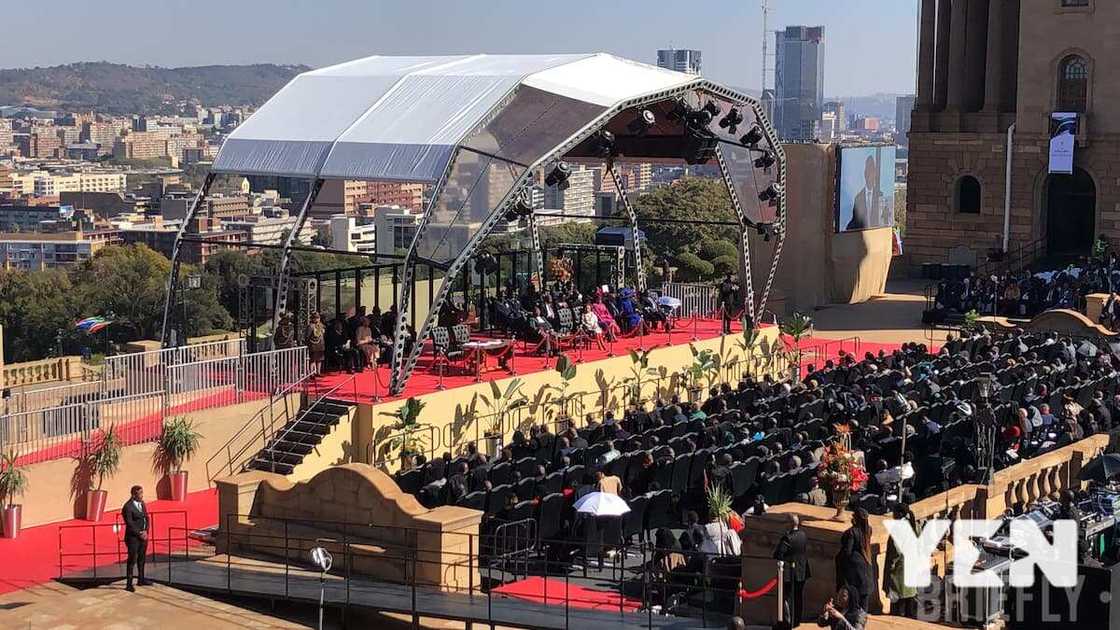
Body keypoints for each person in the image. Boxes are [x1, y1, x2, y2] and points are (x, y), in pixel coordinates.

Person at [773, 513, 810, 624]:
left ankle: (788, 622)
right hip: (802, 571)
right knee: (798, 597)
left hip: (790, 573)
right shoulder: (803, 535)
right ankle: (797, 621)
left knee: (786, 598)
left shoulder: (787, 537)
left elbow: (779, 554)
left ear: (789, 523)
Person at [885, 505, 919, 618]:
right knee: (909, 604)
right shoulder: (914, 525)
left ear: (899, 514)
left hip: (900, 570)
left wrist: (891, 566)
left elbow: (896, 552)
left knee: (897, 608)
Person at [836, 508, 873, 610]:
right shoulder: (868, 530)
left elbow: (847, 551)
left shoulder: (851, 532)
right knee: (864, 602)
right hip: (866, 569)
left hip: (855, 570)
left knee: (855, 601)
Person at [122, 485, 151, 591]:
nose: (142, 495)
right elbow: (129, 523)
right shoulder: (127, 507)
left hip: (143, 536)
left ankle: (141, 579)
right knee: (132, 559)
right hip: (133, 538)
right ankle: (129, 584)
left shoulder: (142, 504)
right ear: (134, 495)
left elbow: (146, 518)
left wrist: (146, 531)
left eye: (142, 493)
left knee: (142, 558)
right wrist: (139, 533)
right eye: (140, 493)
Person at [845, 153, 881, 231]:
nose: (869, 175)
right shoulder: (858, 198)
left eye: (872, 172)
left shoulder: (880, 196)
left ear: (875, 174)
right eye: (868, 172)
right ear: (865, 174)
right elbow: (854, 221)